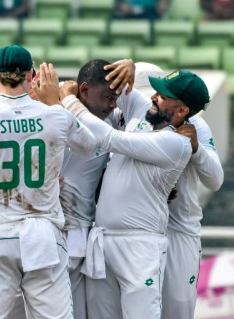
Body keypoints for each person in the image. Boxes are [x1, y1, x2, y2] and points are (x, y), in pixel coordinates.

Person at [0, 45, 102, 319]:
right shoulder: (55, 116)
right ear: (31, 75)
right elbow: (91, 145)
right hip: (44, 234)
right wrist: (56, 104)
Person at [60, 68, 209, 318]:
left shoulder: (177, 144)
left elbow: (108, 138)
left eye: (163, 95)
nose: (153, 96)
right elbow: (114, 86)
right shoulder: (147, 113)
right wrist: (128, 65)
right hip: (103, 242)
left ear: (182, 111)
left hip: (140, 246)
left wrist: (68, 101)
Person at [132, 62, 224, 319]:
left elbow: (216, 180)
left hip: (178, 230)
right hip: (137, 230)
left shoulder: (197, 125)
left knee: (176, 310)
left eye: (160, 94)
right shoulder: (135, 118)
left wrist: (196, 149)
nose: (151, 97)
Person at [58, 59, 126, 319]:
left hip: (85, 236)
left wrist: (132, 65)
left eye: (115, 98)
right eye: (107, 97)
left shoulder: (109, 125)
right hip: (56, 232)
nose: (112, 105)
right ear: (84, 90)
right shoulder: (56, 116)